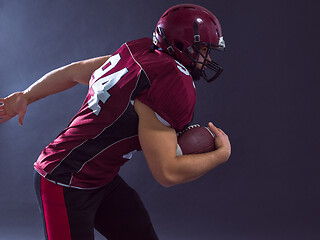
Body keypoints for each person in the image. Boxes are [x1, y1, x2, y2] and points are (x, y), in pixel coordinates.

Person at [0, 4, 231, 240]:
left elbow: (72, 72)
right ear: (184, 47)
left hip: (101, 179)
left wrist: (27, 95)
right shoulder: (168, 84)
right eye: (204, 49)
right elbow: (167, 173)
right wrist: (221, 155)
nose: (209, 57)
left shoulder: (139, 52)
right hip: (62, 180)